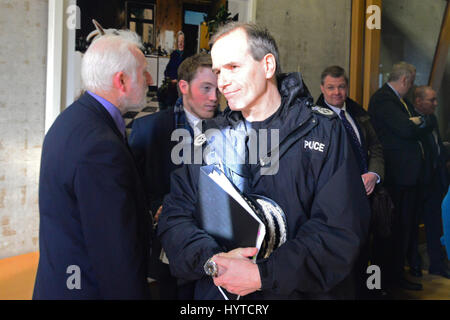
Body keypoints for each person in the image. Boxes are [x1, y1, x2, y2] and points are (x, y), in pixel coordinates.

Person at [157, 22, 371, 300]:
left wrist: (261, 275)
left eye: (233, 67)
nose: (222, 82)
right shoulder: (209, 137)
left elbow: (339, 231)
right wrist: (213, 261)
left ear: (268, 66)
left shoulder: (324, 132)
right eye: (219, 71)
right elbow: (175, 216)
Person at [33, 31, 153, 299]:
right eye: (143, 72)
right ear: (121, 80)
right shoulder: (100, 148)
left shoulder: (73, 118)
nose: (150, 80)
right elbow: (115, 256)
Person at [129, 52, 220, 299]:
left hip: (217, 253)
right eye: (206, 88)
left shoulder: (230, 128)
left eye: (217, 88)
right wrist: (156, 207)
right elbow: (131, 190)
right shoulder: (148, 130)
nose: (214, 97)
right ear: (183, 87)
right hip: (168, 252)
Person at [315, 65, 385, 298]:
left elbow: (375, 147)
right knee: (343, 260)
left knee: (366, 254)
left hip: (367, 197)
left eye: (341, 87)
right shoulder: (314, 120)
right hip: (338, 205)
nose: (337, 92)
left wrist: (373, 174)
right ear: (322, 88)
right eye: (331, 87)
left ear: (347, 87)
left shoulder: (358, 113)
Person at [368, 62, 434, 291]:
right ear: (405, 79)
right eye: (412, 81)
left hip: (408, 178)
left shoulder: (401, 102)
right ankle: (380, 283)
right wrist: (418, 123)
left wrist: (417, 122)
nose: (412, 86)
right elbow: (406, 129)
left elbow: (417, 123)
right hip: (395, 178)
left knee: (403, 229)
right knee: (388, 232)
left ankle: (396, 276)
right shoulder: (384, 99)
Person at [408, 86, 450, 279]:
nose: (436, 103)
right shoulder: (411, 121)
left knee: (436, 227)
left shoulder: (432, 119)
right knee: (412, 228)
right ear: (418, 101)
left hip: (435, 183)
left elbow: (437, 148)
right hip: (418, 184)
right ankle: (413, 266)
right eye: (431, 100)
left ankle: (438, 265)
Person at [160, 31, 188, 109]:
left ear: (184, 42)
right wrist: (168, 78)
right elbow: (167, 69)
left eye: (182, 41)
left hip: (181, 83)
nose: (180, 44)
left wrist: (177, 80)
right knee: (163, 96)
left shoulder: (187, 55)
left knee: (174, 100)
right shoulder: (174, 54)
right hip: (172, 83)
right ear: (176, 42)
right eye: (179, 41)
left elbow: (188, 72)